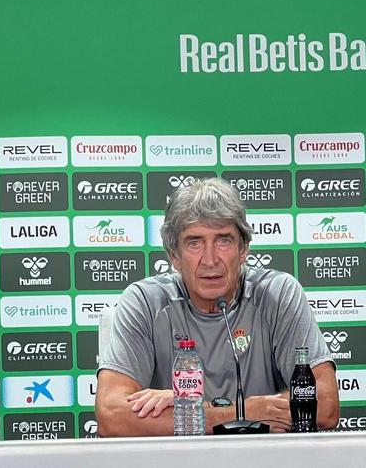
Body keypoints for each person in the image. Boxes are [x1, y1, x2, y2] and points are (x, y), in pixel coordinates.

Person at [96, 177, 339, 436]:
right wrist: (245, 413)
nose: (210, 259)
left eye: (223, 240)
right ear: (174, 255)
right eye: (194, 242)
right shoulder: (146, 301)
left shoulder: (277, 294)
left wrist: (186, 410)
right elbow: (112, 416)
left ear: (243, 248)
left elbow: (324, 406)